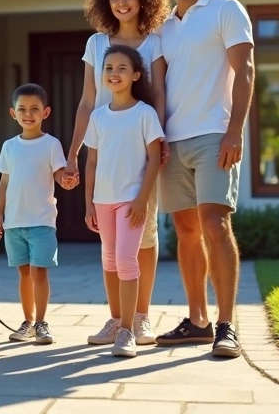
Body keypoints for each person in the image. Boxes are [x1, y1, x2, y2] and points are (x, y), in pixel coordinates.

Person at [152, 0, 254, 359]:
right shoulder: (162, 26)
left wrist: (235, 132)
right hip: (173, 141)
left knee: (215, 224)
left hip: (215, 134)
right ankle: (197, 321)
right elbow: (158, 86)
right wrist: (155, 137)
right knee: (186, 230)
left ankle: (227, 325)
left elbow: (245, 70)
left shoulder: (226, 9)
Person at [61, 0, 171, 347]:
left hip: (142, 149)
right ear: (105, 3)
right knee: (112, 248)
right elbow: (87, 103)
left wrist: (157, 144)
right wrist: (72, 154)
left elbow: (158, 95)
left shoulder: (155, 40)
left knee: (145, 236)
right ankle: (116, 319)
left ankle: (140, 318)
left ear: (142, 0)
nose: (122, 3)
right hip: (105, 153)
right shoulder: (96, 44)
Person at [82, 44, 165, 358]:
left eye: (121, 68)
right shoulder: (99, 117)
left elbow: (155, 158)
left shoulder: (144, 114)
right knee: (109, 260)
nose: (114, 74)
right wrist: (89, 203)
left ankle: (128, 330)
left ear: (135, 75)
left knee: (127, 261)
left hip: (132, 201)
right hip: (103, 201)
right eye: (108, 68)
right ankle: (116, 321)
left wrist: (143, 199)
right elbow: (92, 162)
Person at [0, 83, 74, 345]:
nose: (28, 114)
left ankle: (41, 323)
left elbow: (60, 174)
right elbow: (4, 183)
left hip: (41, 221)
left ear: (46, 112)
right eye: (22, 109)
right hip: (14, 222)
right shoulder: (9, 146)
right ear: (12, 113)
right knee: (23, 274)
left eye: (35, 109)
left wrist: (66, 180)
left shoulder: (51, 144)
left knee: (40, 273)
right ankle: (27, 323)